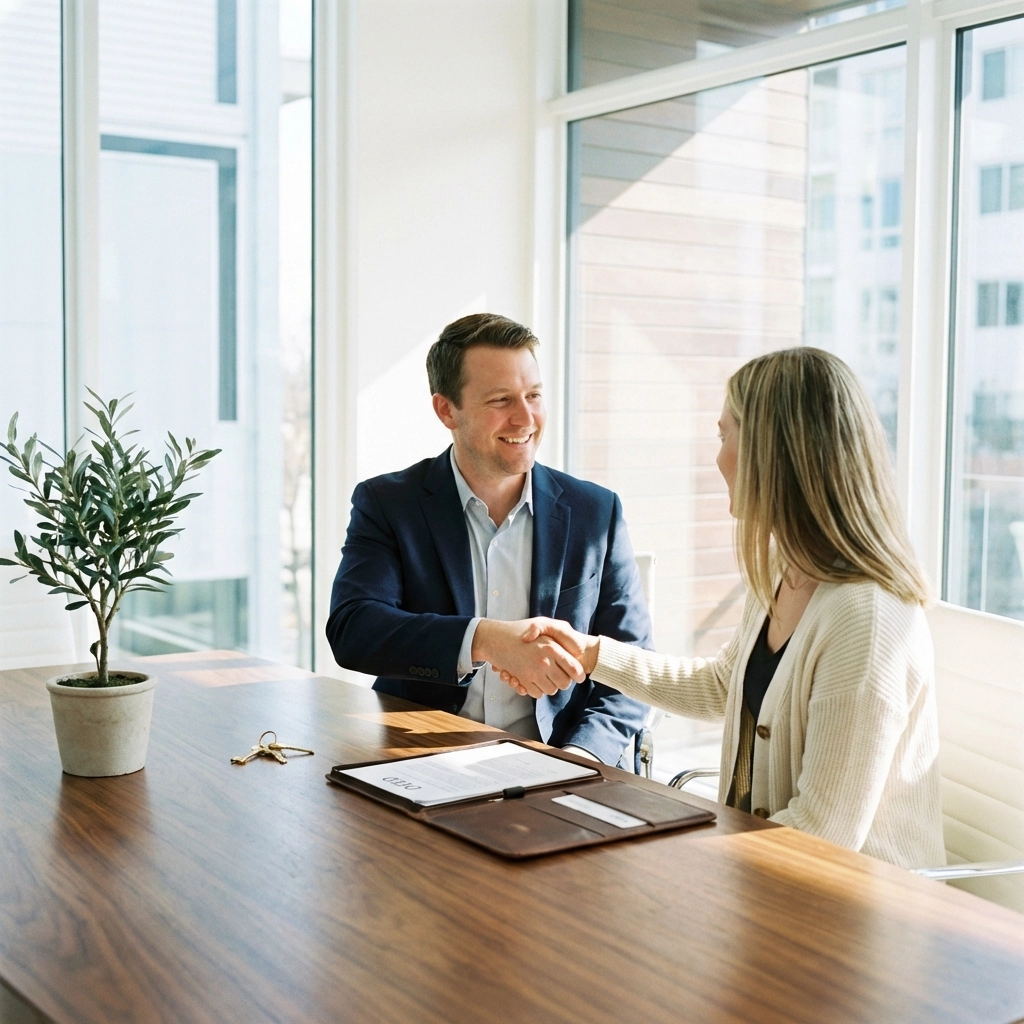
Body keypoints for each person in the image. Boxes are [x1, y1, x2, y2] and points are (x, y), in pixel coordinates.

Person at [499, 347, 945, 868]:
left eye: (725, 434)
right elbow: (720, 688)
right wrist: (593, 653)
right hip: (769, 882)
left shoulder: (865, 620)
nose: (718, 457)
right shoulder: (787, 570)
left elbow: (821, 836)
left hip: (851, 919)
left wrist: (677, 853)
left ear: (773, 451)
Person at [326, 313, 652, 767]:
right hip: (423, 756)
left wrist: (578, 757)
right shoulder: (388, 503)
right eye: (501, 400)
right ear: (446, 410)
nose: (525, 418)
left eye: (534, 395)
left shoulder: (596, 512)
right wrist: (483, 639)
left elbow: (634, 670)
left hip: (561, 760)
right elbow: (354, 630)